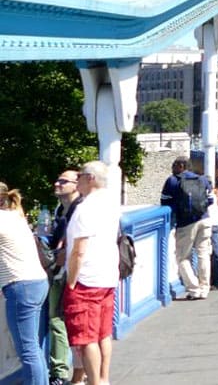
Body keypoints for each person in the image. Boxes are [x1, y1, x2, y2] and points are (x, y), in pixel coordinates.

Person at [64, 160, 122, 385]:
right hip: (107, 276)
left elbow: (79, 250)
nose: (77, 180)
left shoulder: (85, 208)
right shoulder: (110, 202)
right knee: (103, 332)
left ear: (91, 179)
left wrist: (70, 282)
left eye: (79, 176)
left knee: (87, 337)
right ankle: (104, 378)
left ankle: (95, 381)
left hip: (86, 280)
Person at [0, 181, 50, 385]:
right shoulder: (15, 217)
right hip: (36, 283)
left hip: (21, 287)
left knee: (27, 351)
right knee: (33, 349)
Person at [160, 156, 213, 299]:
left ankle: (194, 289)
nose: (172, 168)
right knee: (203, 255)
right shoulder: (202, 179)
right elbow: (210, 200)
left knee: (182, 257)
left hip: (185, 224)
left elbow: (164, 203)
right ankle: (205, 288)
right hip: (205, 219)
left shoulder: (172, 180)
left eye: (174, 165)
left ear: (181, 166)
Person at [46, 169, 81, 385]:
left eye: (63, 181)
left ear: (76, 185)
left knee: (58, 319)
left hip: (72, 273)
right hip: (64, 270)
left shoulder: (79, 209)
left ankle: (60, 372)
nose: (57, 184)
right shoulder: (61, 209)